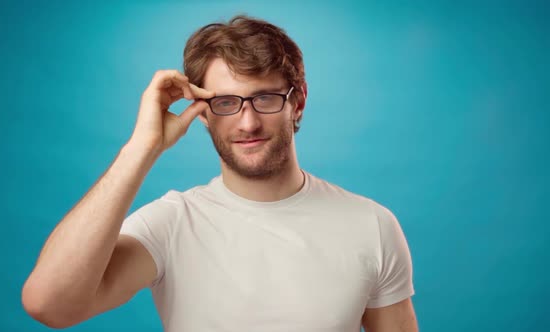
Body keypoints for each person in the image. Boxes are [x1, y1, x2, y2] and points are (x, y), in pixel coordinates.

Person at [22, 15, 418, 332]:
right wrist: (141, 149)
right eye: (226, 102)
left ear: (297, 102)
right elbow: (50, 306)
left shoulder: (371, 225)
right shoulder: (172, 223)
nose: (247, 123)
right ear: (203, 113)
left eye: (264, 98)